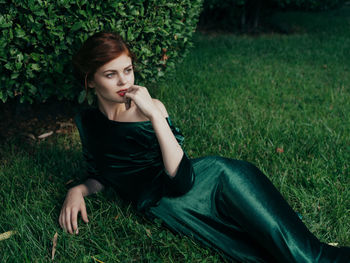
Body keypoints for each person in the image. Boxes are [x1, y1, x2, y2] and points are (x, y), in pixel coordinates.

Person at [59, 32, 350, 262]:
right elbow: (105, 174)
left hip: (212, 182)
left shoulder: (149, 109)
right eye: (111, 74)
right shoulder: (88, 121)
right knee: (262, 255)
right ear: (91, 81)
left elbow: (182, 181)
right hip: (173, 209)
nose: (125, 81)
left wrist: (154, 115)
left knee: (306, 257)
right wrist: (79, 189)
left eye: (128, 70)